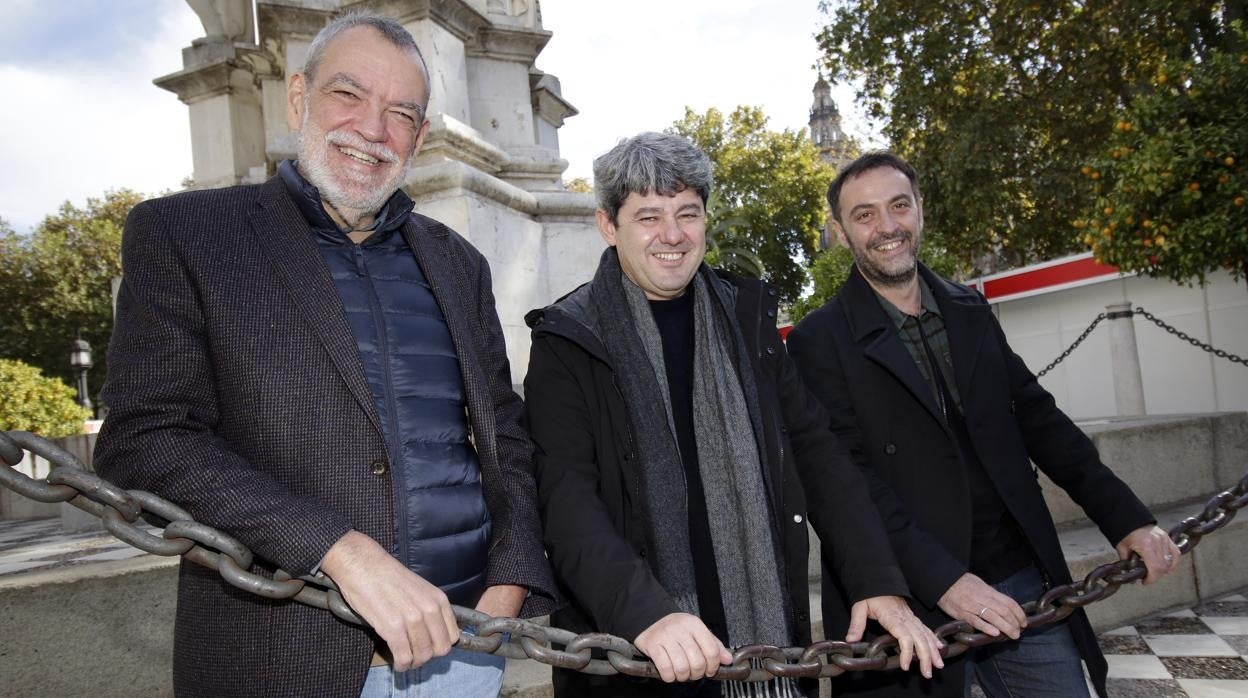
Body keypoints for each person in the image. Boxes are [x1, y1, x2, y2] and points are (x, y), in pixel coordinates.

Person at [94, 13, 555, 697]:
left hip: (465, 652)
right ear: (298, 95)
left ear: (420, 137)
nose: (373, 130)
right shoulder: (186, 235)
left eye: (401, 113)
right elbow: (145, 440)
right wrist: (338, 550)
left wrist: (511, 579)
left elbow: (505, 440)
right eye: (349, 95)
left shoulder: (460, 262)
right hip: (284, 660)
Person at [523, 133, 944, 698]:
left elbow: (817, 454)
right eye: (648, 216)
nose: (672, 235)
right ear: (608, 225)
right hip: (639, 643)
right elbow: (567, 500)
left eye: (687, 214)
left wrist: (876, 579)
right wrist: (648, 614)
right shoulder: (568, 337)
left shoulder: (746, 318)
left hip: (760, 628)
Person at [786, 151, 1181, 698]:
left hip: (1021, 583)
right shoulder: (818, 341)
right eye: (866, 214)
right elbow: (846, 483)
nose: (888, 227)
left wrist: (1127, 519)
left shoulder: (968, 309)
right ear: (841, 231)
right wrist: (943, 581)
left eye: (899, 206)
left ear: (920, 209)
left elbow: (1041, 420)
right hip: (910, 604)